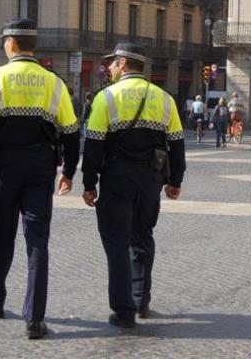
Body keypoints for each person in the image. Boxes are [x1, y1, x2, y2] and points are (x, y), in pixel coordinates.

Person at [0, 18, 80, 340]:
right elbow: (72, 132)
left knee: (2, 236)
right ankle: (34, 318)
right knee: (37, 242)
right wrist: (68, 171)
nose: (4, 44)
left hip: (3, 167)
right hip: (40, 168)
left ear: (12, 43)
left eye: (5, 40)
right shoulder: (53, 82)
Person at [81, 42, 186, 329]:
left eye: (113, 62)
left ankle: (123, 309)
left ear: (125, 63)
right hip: (150, 179)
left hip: (116, 177)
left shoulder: (106, 98)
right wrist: (175, 181)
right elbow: (177, 143)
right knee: (143, 236)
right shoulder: (165, 98)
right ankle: (141, 298)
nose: (109, 67)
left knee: (116, 242)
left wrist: (89, 184)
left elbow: (93, 146)